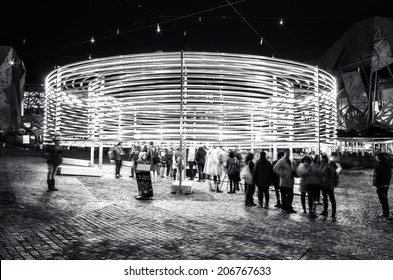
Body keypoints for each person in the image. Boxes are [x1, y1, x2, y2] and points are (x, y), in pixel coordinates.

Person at [273, 148, 297, 213]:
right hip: (284, 181)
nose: (288, 154)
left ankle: (288, 206)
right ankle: (284, 207)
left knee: (290, 195)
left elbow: (293, 170)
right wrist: (281, 174)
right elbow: (275, 168)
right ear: (285, 153)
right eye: (287, 152)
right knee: (284, 195)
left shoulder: (291, 161)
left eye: (289, 152)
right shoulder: (281, 161)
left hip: (290, 181)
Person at [373, 153, 392, 219]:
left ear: (379, 158)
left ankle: (386, 214)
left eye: (376, 157)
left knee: (383, 200)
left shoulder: (380, 165)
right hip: (385, 184)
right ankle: (385, 213)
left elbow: (378, 176)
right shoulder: (386, 164)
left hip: (381, 185)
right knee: (384, 199)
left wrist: (378, 184)